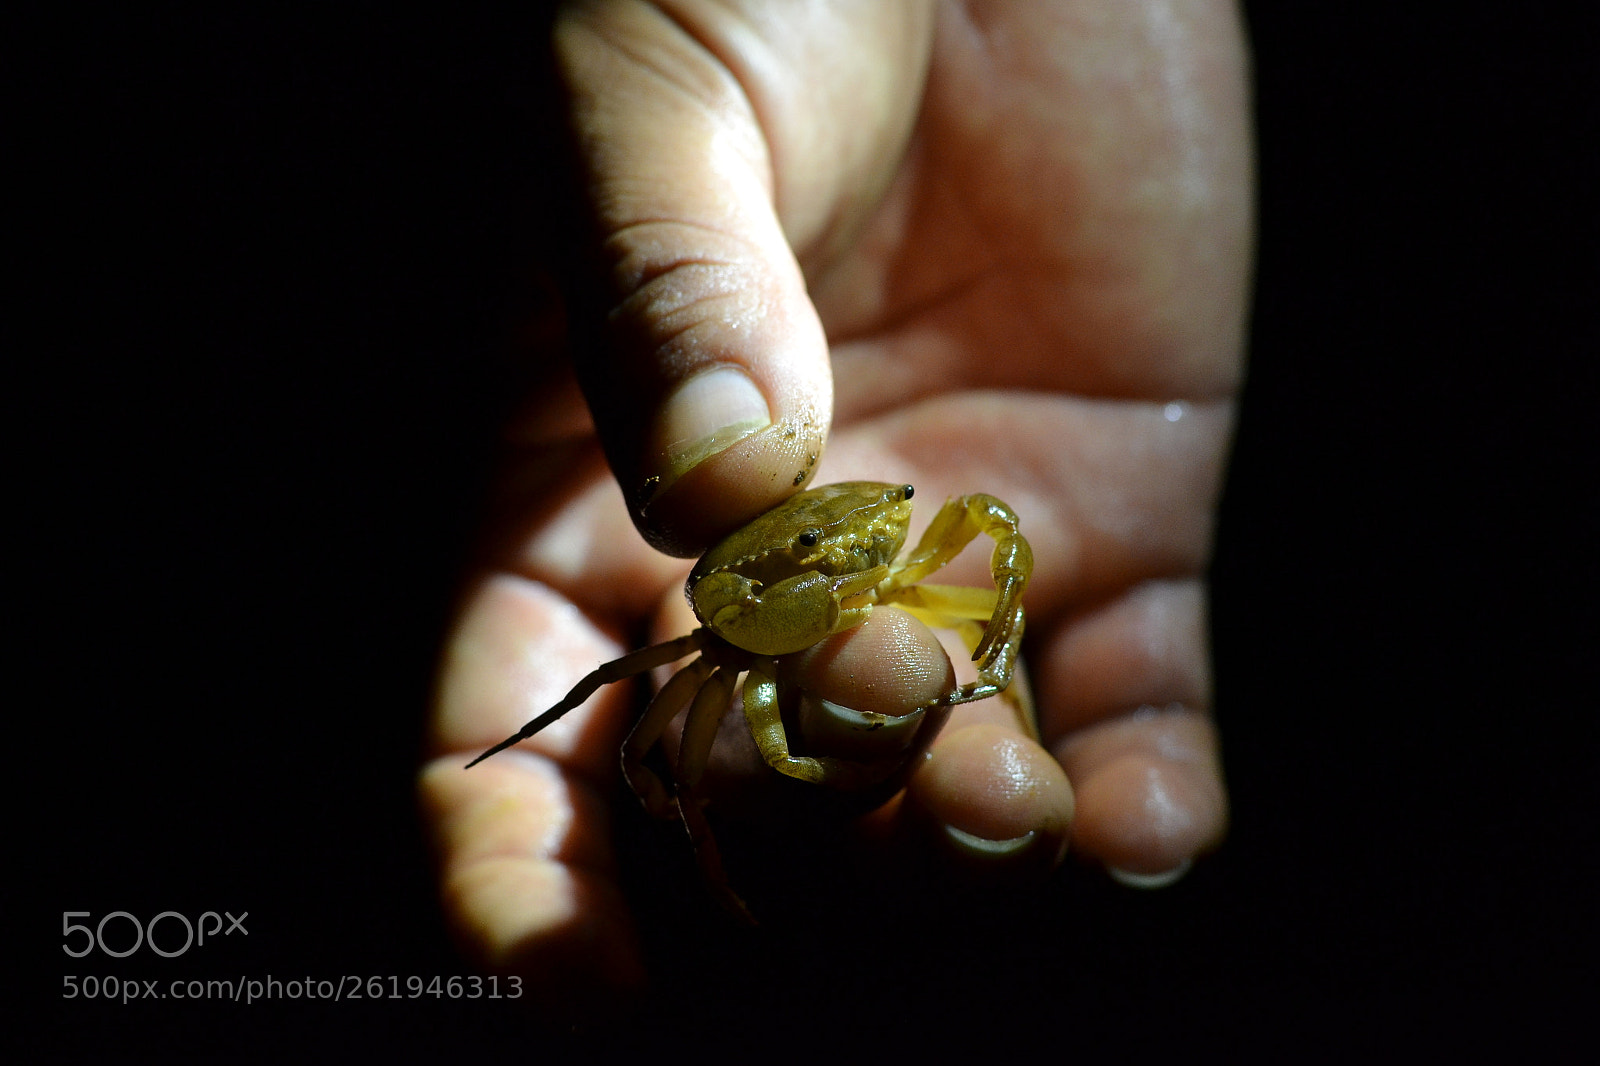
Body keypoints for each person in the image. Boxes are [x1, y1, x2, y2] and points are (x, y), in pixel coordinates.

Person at [420, 0, 1250, 995]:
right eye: (817, 561)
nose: (841, 569)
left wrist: (992, 644)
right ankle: (729, 920)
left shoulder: (888, 545)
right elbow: (656, 717)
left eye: (861, 543)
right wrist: (782, 767)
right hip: (736, 628)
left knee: (957, 644)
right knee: (692, 758)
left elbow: (994, 534)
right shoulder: (729, 627)